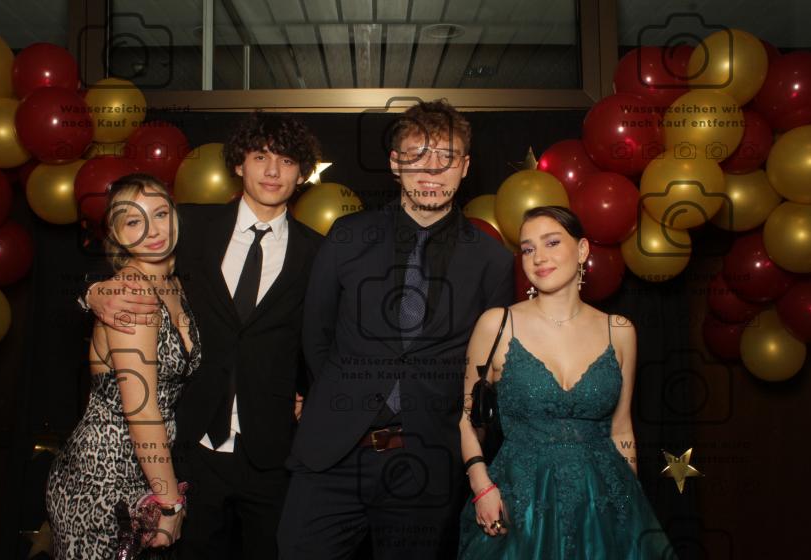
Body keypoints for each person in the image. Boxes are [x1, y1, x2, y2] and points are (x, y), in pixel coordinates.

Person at [278, 99, 515, 559]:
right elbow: (316, 337)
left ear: (465, 167)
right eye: (417, 154)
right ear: (394, 163)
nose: (431, 169)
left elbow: (485, 374)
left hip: (426, 462)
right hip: (334, 452)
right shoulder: (347, 236)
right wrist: (346, 396)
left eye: (446, 157)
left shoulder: (492, 261)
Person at [83, 112, 323, 559]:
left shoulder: (318, 252)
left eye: (287, 161)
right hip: (190, 445)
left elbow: (326, 337)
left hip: (270, 450)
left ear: (302, 173)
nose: (273, 171)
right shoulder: (189, 225)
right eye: (260, 157)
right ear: (239, 164)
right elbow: (128, 256)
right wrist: (92, 293)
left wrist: (312, 394)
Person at [457, 206, 674, 558]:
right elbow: (469, 419)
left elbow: (621, 429)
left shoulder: (619, 331)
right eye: (528, 249)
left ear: (583, 249)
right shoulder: (496, 325)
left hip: (603, 502)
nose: (538, 257)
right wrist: (481, 486)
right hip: (519, 503)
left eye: (552, 242)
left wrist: (628, 506)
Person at [47, 174, 199, 558]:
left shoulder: (175, 284)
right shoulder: (132, 292)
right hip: (103, 479)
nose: (152, 230)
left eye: (160, 213)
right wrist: (170, 503)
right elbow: (141, 409)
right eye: (134, 221)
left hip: (149, 472)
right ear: (115, 233)